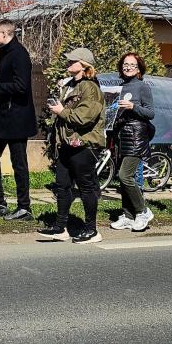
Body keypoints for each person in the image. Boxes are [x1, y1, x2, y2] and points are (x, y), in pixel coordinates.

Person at [37, 47, 106, 244]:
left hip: (84, 144)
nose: (68, 63)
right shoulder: (71, 85)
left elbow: (84, 117)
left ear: (84, 65)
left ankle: (92, 230)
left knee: (86, 187)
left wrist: (61, 111)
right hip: (67, 144)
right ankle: (60, 228)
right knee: (62, 186)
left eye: (72, 61)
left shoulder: (90, 88)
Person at [0, 19, 37, 221]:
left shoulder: (19, 54)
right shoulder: (6, 52)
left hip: (17, 117)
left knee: (18, 162)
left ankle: (25, 207)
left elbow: (22, 86)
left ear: (5, 34)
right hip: (3, 116)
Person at [109, 53, 156, 233]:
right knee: (122, 179)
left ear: (138, 68)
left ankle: (142, 211)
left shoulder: (143, 87)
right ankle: (128, 216)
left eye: (132, 64)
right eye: (125, 64)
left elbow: (150, 113)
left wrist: (133, 107)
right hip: (122, 135)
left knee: (125, 175)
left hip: (137, 135)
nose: (127, 67)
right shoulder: (121, 87)